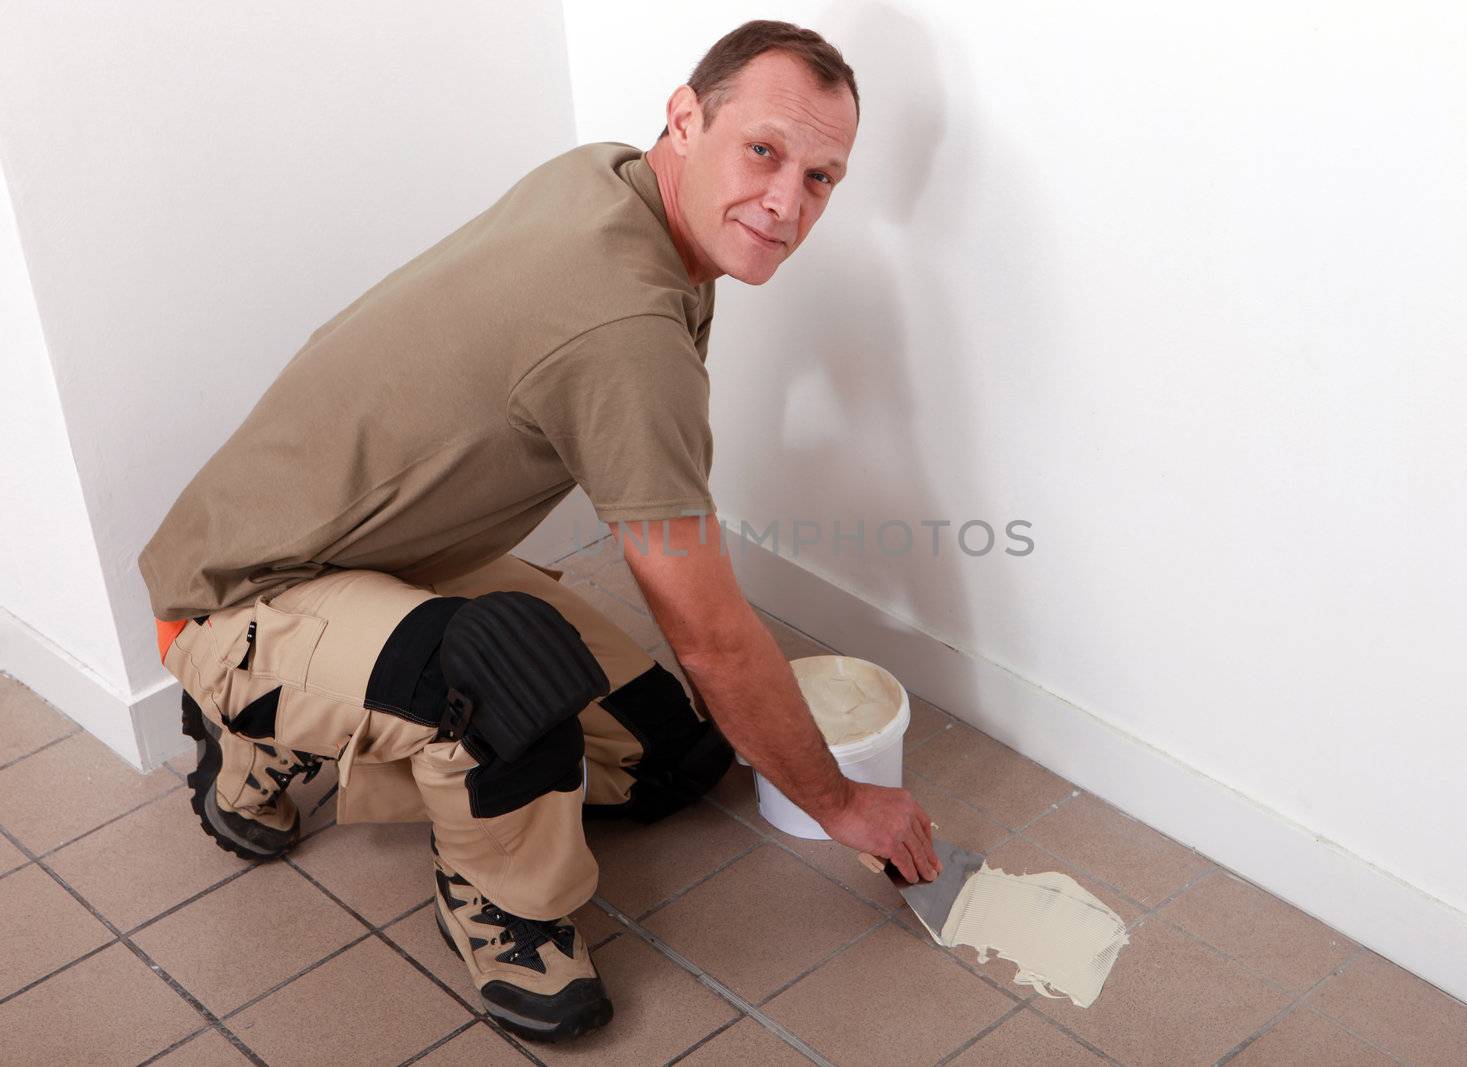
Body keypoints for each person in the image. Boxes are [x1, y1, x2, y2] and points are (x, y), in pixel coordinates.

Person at [138, 19, 940, 1043]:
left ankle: (360, 713)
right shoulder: (623, 327)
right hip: (240, 591)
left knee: (671, 758)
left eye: (822, 177)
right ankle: (479, 889)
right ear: (685, 119)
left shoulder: (612, 181)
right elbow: (708, 628)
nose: (787, 203)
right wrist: (840, 802)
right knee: (503, 675)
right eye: (765, 151)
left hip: (377, 549)